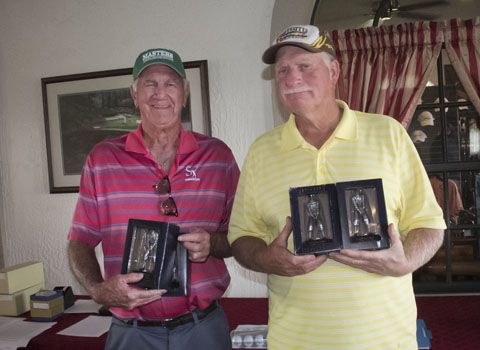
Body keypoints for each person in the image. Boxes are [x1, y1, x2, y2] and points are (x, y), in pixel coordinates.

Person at [228, 25, 446, 350]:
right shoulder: (262, 150)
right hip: (295, 342)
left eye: (304, 66)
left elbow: (429, 223)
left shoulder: (388, 134)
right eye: (283, 70)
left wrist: (406, 261)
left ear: (333, 71)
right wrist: (264, 258)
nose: (291, 78)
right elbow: (241, 234)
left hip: (386, 341)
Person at [67, 48, 239, 350]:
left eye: (170, 83)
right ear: (134, 95)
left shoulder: (218, 156)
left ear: (184, 93)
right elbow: (80, 239)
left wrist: (214, 243)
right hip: (131, 332)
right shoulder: (102, 159)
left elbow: (241, 236)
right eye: (149, 83)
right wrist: (97, 290)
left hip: (202, 329)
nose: (160, 93)